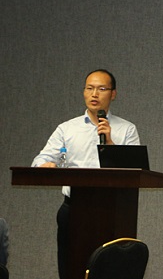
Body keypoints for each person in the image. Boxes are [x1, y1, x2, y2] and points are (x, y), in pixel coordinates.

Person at [31, 69, 140, 279]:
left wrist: (110, 143)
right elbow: (40, 159)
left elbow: (136, 171)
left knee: (112, 271)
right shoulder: (67, 129)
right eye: (89, 88)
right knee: (71, 269)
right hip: (74, 210)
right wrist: (45, 165)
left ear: (113, 94)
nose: (94, 94)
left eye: (101, 89)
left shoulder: (127, 129)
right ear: (84, 92)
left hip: (114, 211)